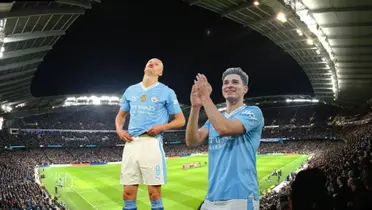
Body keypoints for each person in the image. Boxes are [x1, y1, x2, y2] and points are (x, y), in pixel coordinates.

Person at [185, 68, 264, 210]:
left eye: (235, 82)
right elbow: (192, 141)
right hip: (211, 198)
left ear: (245, 89)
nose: (229, 85)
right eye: (226, 83)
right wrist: (195, 107)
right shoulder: (213, 121)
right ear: (222, 89)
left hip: (240, 197)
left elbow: (224, 129)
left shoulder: (252, 112)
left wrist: (205, 98)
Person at [116, 58, 186, 210]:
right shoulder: (131, 90)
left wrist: (163, 126)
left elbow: (180, 120)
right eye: (149, 62)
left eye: (156, 64)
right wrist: (120, 130)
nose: (152, 64)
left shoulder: (167, 92)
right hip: (131, 143)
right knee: (128, 192)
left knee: (154, 192)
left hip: (151, 143)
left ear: (160, 72)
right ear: (144, 67)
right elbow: (121, 116)